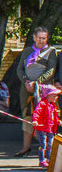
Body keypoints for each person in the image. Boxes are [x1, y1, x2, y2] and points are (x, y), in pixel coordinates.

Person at [15, 26, 57, 157]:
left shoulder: (51, 51)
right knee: (27, 115)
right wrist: (26, 81)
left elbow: (51, 71)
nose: (41, 41)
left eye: (44, 38)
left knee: (44, 117)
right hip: (26, 88)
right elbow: (19, 69)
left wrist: (37, 83)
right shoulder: (27, 50)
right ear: (34, 37)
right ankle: (26, 147)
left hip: (43, 89)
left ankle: (47, 150)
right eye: (39, 38)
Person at [33, 84, 60, 168]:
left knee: (50, 145)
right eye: (54, 95)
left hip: (50, 129)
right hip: (42, 128)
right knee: (43, 145)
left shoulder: (53, 105)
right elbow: (37, 112)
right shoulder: (42, 103)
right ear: (48, 95)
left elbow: (54, 116)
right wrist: (35, 120)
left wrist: (58, 121)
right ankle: (42, 160)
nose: (56, 97)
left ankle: (49, 159)